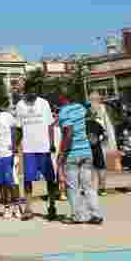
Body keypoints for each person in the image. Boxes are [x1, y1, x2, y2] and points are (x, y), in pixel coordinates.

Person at [14, 83, 59, 221]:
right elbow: (19, 128)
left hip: (44, 148)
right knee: (28, 179)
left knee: (50, 179)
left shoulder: (43, 103)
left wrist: (51, 143)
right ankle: (28, 208)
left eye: (34, 90)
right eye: (29, 91)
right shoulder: (20, 105)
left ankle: (52, 206)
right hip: (28, 149)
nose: (32, 93)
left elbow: (50, 125)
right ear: (25, 91)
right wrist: (16, 144)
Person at [55, 95, 102, 225]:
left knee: (73, 187)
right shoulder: (80, 108)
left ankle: (78, 216)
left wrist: (62, 153)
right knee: (88, 186)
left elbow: (68, 133)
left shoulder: (64, 111)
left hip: (72, 154)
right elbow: (89, 113)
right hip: (86, 152)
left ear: (63, 99)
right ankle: (96, 214)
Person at [85, 109, 108, 195]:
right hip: (97, 148)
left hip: (86, 149)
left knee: (86, 169)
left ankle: (87, 189)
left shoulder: (82, 125)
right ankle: (102, 189)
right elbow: (105, 135)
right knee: (101, 168)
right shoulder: (97, 124)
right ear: (92, 115)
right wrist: (102, 143)